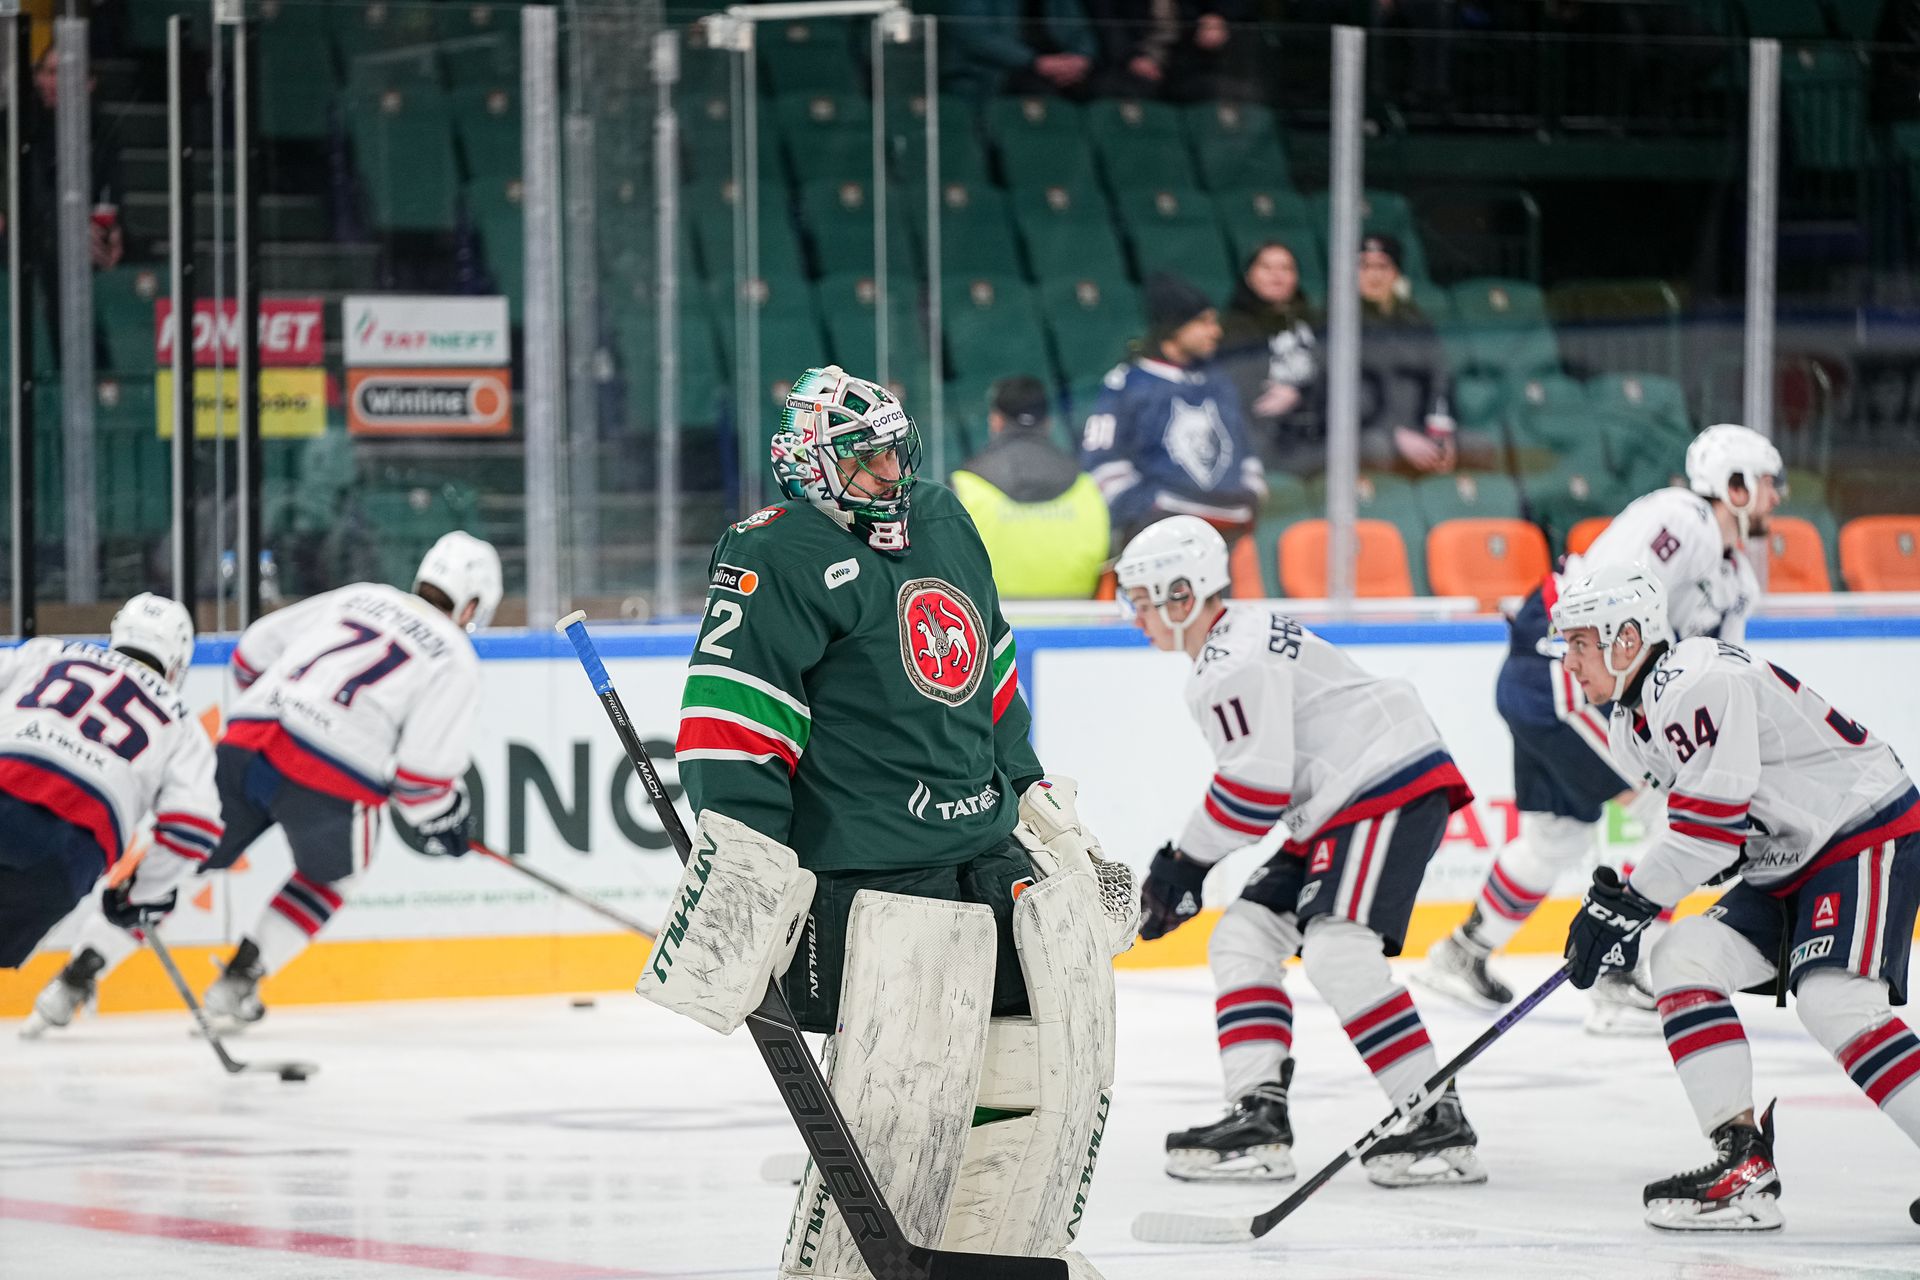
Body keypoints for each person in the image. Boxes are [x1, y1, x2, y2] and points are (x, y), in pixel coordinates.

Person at [659, 365, 1132, 1276]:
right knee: (902, 1109)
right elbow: (732, 734)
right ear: (808, 463)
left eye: (893, 451)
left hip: (988, 857)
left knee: (1040, 1076)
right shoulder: (771, 553)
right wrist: (748, 875)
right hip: (874, 884)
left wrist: (1032, 795)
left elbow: (990, 674)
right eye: (864, 458)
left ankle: (998, 1254)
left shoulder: (945, 520)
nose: (889, 471)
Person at [1118, 515, 1484, 1188]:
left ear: (1181, 594)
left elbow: (1254, 791)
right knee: (1242, 938)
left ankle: (1436, 1117)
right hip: (1339, 802)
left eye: (1141, 597)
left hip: (1383, 782)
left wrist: (1183, 864)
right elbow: (1262, 786)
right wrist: (1188, 865)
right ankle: (1258, 1113)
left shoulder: (1229, 663)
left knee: (1338, 949)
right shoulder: (1237, 639)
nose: (1133, 612)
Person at [1554, 563, 1920, 1232]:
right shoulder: (1632, 722)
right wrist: (1628, 905)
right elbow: (1720, 829)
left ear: (1626, 638)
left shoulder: (1698, 681)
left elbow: (1707, 833)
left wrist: (1627, 903)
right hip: (1786, 856)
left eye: (1580, 643)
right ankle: (1742, 1161)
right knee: (1684, 957)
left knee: (1835, 1001)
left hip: (1856, 830)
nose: (1569, 663)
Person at [25, 533, 500, 1034]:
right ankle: (236, 984)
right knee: (333, 877)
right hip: (335, 773)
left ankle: (71, 981)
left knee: (183, 857)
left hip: (249, 738)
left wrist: (281, 712)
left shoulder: (364, 596)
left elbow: (252, 652)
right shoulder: (456, 657)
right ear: (470, 605)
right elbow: (421, 782)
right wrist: (444, 821)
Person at [1416, 424, 1782, 1035]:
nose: (1776, 497)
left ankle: (1461, 952)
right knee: (1671, 811)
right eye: (1767, 483)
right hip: (1565, 672)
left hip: (1562, 681)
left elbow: (1720, 673)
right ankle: (1618, 974)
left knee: (1555, 838)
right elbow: (1599, 605)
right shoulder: (1681, 519)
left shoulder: (1735, 579)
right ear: (1734, 485)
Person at [0, 595, 220, 982]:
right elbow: (193, 826)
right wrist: (141, 892)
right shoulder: (183, 724)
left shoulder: (50, 653)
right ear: (177, 662)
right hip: (65, 856)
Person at [1081, 272, 1267, 551]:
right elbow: (1102, 465)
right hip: (1159, 544)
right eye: (1203, 322)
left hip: (1224, 537)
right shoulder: (1127, 385)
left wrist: (1248, 499)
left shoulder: (1219, 384)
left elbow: (1247, 456)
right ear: (1173, 328)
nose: (1215, 331)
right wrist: (1148, 512)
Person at [952, 374, 1110, 599]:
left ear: (996, 421)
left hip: (990, 627)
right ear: (1048, 423)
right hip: (1076, 626)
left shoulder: (965, 485)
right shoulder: (1086, 484)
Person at [1219, 240, 1322, 470]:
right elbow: (1243, 386)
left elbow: (1336, 372)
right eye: (1267, 268)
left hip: (1318, 418)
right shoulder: (1233, 327)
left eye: (1286, 268)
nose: (1277, 276)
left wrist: (1300, 394)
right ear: (1249, 276)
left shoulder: (1314, 320)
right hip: (1265, 426)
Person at [1357, 234, 1454, 475]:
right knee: (1376, 447)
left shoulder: (1415, 319)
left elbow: (1439, 376)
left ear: (1396, 273)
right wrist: (1395, 434)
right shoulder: (1338, 320)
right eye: (1365, 266)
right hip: (1370, 431)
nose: (1374, 275)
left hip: (1418, 427)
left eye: (1382, 266)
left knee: (1477, 446)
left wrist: (1439, 430)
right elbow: (1347, 393)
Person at [938, 0, 1098, 98]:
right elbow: (975, 38)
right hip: (998, 71)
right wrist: (1035, 62)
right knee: (1043, 96)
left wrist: (1081, 58)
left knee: (1105, 89)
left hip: (1060, 68)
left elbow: (1080, 29)